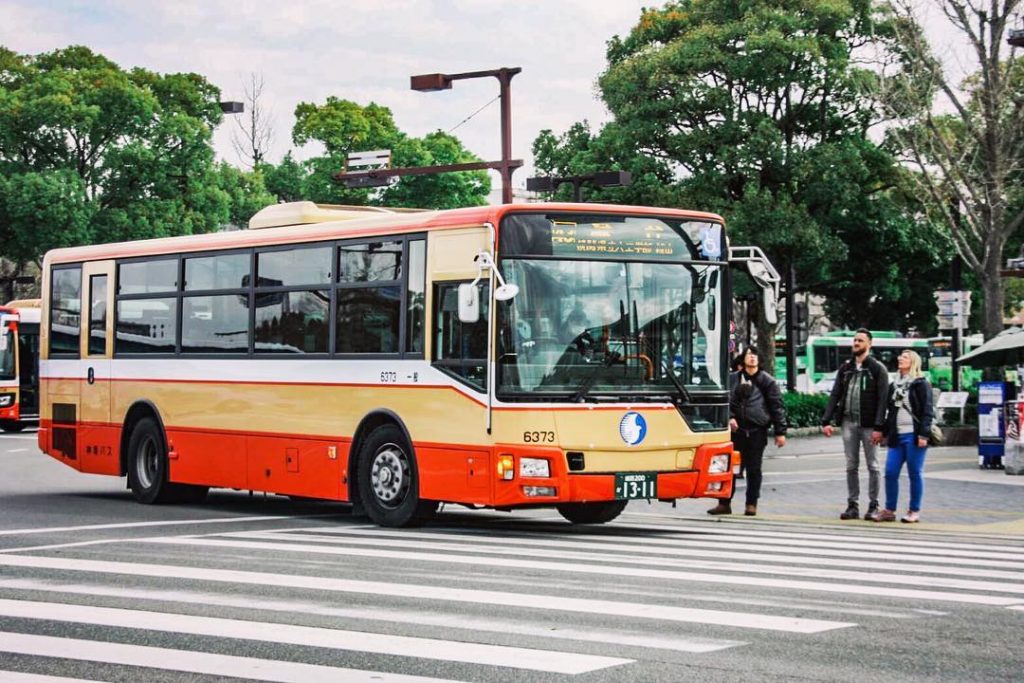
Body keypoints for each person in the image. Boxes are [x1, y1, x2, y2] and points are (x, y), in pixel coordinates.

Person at [708, 345, 786, 517]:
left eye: (755, 355)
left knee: (754, 469)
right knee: (730, 468)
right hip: (736, 431)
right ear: (743, 359)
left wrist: (780, 431)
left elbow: (776, 406)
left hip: (757, 431)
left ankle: (751, 504)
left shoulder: (767, 381)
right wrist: (730, 417)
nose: (752, 357)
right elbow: (725, 401)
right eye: (749, 354)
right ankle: (724, 502)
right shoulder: (733, 379)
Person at [821, 328, 890, 521]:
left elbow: (883, 400)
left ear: (869, 344)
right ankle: (853, 504)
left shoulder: (877, 369)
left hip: (869, 426)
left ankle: (873, 504)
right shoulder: (846, 368)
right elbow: (835, 394)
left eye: (860, 340)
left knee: (873, 465)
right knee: (851, 465)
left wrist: (879, 427)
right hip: (848, 422)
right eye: (855, 340)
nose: (856, 343)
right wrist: (826, 420)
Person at [876, 350, 933, 523]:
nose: (900, 358)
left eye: (905, 357)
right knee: (890, 472)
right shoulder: (894, 385)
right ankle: (889, 509)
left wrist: (924, 434)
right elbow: (890, 412)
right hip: (897, 435)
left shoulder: (921, 384)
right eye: (900, 356)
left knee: (914, 473)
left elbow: (927, 411)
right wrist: (884, 432)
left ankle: (914, 510)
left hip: (914, 435)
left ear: (913, 362)